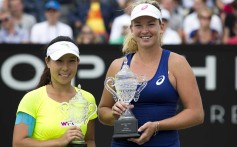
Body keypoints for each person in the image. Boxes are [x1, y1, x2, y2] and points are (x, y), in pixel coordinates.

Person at [98, 0, 204, 147]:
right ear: (131, 29)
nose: (145, 30)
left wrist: (157, 126)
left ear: (161, 27)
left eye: (151, 24)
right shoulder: (117, 65)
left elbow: (196, 114)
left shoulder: (177, 63)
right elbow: (103, 112)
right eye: (139, 25)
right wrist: (113, 114)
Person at [13, 36, 97, 147]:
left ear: (78, 62)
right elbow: (18, 143)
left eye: (71, 61)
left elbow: (89, 140)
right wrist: (59, 141)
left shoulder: (87, 98)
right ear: (47, 62)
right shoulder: (31, 98)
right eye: (59, 61)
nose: (65, 68)